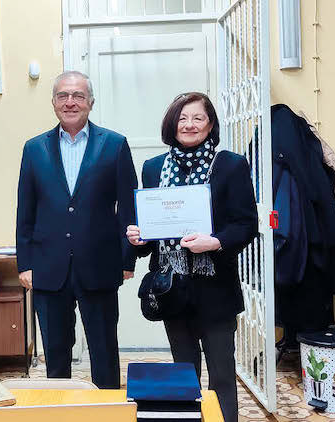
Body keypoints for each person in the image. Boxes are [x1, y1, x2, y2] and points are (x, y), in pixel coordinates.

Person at [126, 92, 258, 421]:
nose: (189, 124)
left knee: (222, 378)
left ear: (210, 124)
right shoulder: (154, 168)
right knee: (184, 376)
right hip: (172, 290)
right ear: (172, 125)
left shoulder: (230, 165)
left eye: (198, 118)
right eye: (182, 118)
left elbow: (246, 224)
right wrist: (139, 238)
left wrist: (214, 242)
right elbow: (151, 236)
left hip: (216, 289)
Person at [16, 70, 138, 389]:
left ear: (91, 102)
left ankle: (106, 409)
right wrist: (25, 263)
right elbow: (25, 212)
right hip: (47, 268)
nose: (70, 102)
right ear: (54, 102)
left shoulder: (114, 145)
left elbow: (129, 207)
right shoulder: (34, 149)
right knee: (55, 353)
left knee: (104, 350)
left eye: (78, 96)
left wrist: (127, 260)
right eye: (63, 96)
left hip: (99, 265)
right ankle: (62, 410)